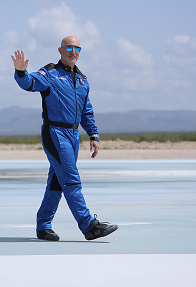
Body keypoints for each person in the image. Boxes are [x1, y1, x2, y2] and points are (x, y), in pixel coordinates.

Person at [12, 36, 118, 241]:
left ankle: (43, 225)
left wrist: (93, 135)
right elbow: (29, 83)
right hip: (55, 133)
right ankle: (88, 225)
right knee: (70, 179)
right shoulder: (50, 73)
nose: (73, 51)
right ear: (60, 50)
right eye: (69, 47)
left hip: (73, 135)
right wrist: (20, 71)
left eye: (77, 48)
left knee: (57, 182)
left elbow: (87, 112)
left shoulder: (82, 80)